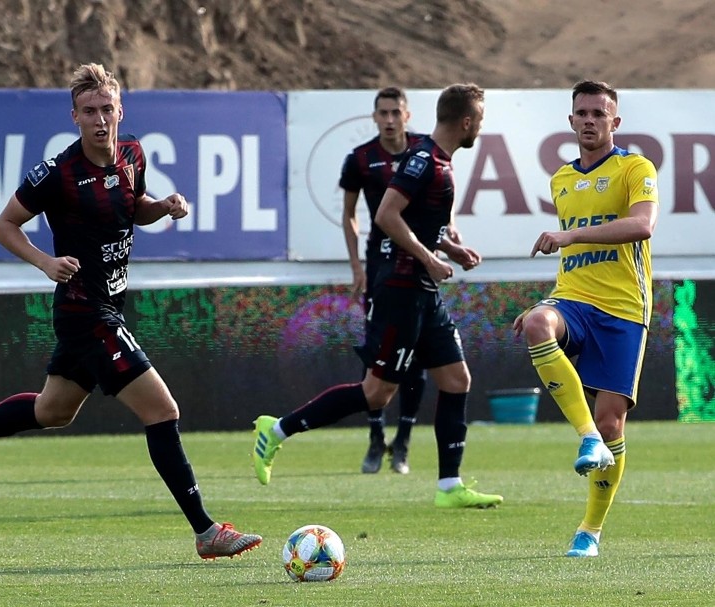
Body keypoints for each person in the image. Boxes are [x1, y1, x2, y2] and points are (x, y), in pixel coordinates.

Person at [0, 63, 261, 561]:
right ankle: (207, 531)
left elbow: (131, 205)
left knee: (51, 410)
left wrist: (161, 206)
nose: (100, 120)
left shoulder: (133, 152)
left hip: (108, 304)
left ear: (120, 110)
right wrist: (45, 262)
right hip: (85, 312)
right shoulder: (58, 173)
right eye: (89, 111)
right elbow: (5, 225)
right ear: (74, 116)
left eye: (106, 109)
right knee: (163, 411)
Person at [253, 83, 503, 509]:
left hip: (423, 292)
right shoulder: (425, 161)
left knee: (456, 379)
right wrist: (427, 257)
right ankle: (276, 430)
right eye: (479, 120)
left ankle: (449, 486)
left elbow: (419, 223)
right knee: (375, 393)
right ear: (466, 122)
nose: (480, 127)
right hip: (399, 291)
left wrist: (449, 248)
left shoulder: (437, 160)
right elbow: (386, 215)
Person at [513, 80, 659, 557]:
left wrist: (571, 236)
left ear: (615, 122)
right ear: (571, 121)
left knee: (613, 421)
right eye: (583, 113)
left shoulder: (635, 167)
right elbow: (574, 262)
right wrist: (545, 303)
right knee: (537, 325)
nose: (591, 120)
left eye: (600, 112)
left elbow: (642, 225)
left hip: (623, 310)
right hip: (573, 299)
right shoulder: (562, 179)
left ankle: (589, 532)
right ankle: (586, 438)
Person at [339, 87, 425, 475]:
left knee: (419, 352)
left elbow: (445, 201)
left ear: (407, 115)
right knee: (376, 353)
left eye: (395, 112)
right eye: (383, 113)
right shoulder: (361, 159)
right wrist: (357, 267)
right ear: (374, 117)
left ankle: (403, 442)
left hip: (420, 263)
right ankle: (376, 438)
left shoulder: (424, 151)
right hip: (381, 268)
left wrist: (448, 238)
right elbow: (350, 215)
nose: (389, 120)